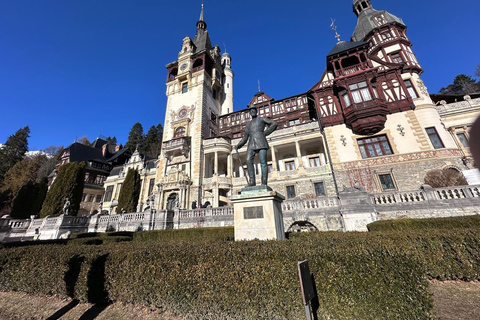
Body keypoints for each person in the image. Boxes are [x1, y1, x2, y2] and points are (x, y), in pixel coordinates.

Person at [235, 104, 277, 186]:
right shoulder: (248, 125)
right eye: (251, 110)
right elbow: (245, 138)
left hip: (261, 141)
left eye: (254, 110)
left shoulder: (261, 119)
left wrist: (265, 133)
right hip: (251, 144)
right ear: (250, 113)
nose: (252, 111)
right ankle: (252, 181)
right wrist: (238, 145)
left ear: (256, 111)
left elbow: (274, 123)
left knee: (263, 162)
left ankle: (264, 182)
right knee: (248, 160)